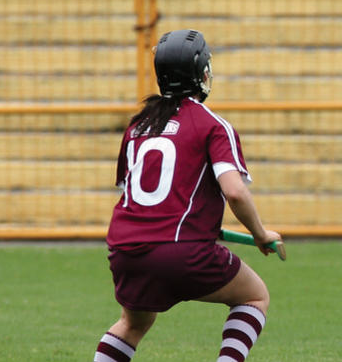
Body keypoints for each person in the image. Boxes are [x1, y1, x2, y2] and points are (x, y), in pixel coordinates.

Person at [93, 29, 282, 362]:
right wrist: (260, 233)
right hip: (182, 251)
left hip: (125, 251)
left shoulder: (137, 126)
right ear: (200, 73)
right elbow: (234, 192)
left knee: (133, 324)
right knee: (254, 297)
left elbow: (132, 195)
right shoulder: (212, 125)